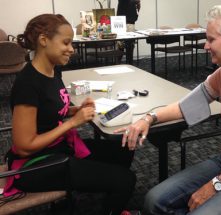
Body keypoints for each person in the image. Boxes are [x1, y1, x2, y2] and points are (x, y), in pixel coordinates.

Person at [115, 3, 221, 215]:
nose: (205, 46)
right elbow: (185, 106)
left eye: (211, 40)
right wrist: (148, 118)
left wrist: (214, 185)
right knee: (153, 201)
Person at [5, 14, 136, 215]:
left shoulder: (52, 71)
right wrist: (72, 122)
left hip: (58, 148)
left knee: (124, 147)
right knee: (126, 180)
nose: (71, 49)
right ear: (43, 41)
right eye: (66, 42)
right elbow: (23, 147)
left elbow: (49, 111)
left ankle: (95, 197)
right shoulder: (28, 83)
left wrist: (75, 110)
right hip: (35, 165)